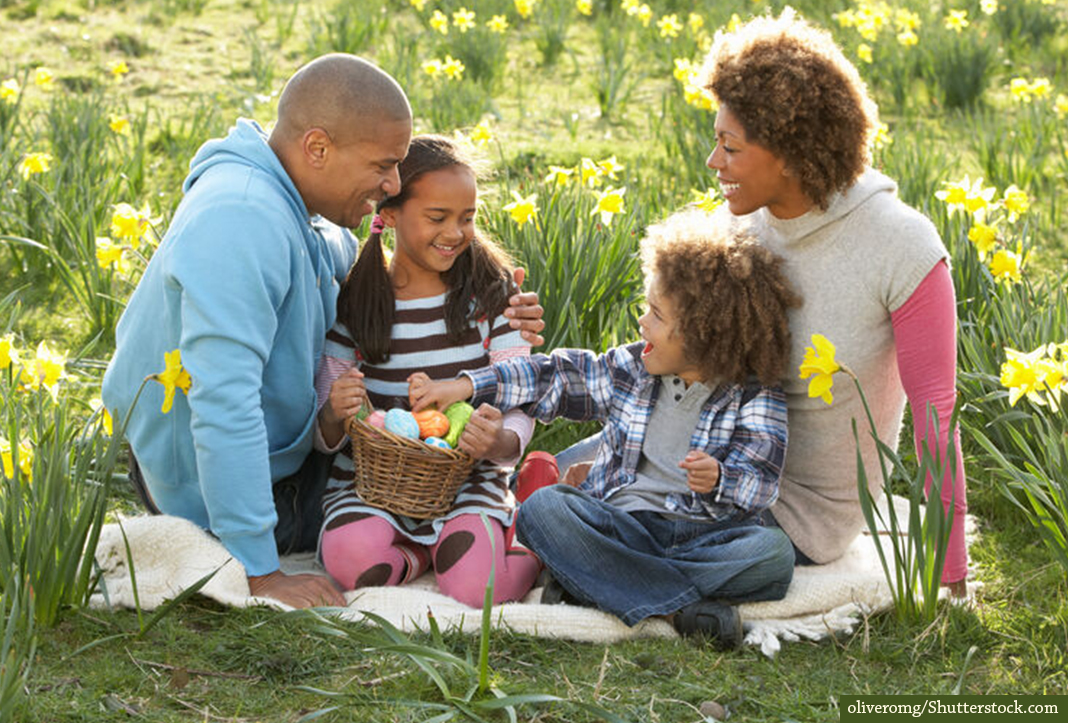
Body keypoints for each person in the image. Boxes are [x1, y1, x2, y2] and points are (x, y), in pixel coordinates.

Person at [102, 55, 545, 609]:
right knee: (363, 540)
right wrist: (261, 573)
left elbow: (367, 264)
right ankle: (512, 515)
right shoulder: (239, 220)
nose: (390, 186)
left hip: (281, 458)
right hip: (210, 487)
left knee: (424, 495)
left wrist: (494, 293)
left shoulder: (299, 205)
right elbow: (223, 405)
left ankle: (500, 510)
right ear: (317, 148)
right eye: (383, 166)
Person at [410, 209, 802, 649]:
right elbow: (551, 376)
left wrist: (720, 478)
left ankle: (595, 581)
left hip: (703, 535)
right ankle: (679, 610)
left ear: (704, 335)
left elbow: (762, 484)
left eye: (656, 314)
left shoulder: (756, 395)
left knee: (772, 555)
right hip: (621, 523)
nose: (642, 323)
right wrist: (465, 385)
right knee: (543, 509)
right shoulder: (632, 369)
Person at [699, 9, 968, 593]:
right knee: (563, 487)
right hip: (708, 468)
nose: (713, 163)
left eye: (730, 147)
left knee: (579, 515)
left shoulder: (901, 244)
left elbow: (935, 414)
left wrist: (950, 578)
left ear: (791, 154)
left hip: (798, 516)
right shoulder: (741, 224)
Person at [316, 134, 542, 608]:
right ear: (391, 214)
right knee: (348, 559)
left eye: (467, 218)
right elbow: (326, 420)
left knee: (476, 589)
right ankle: (424, 554)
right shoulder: (357, 302)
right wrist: (336, 413)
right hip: (376, 484)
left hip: (468, 479)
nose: (455, 233)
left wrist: (498, 441)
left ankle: (534, 532)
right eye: (437, 218)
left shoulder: (492, 298)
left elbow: (521, 396)